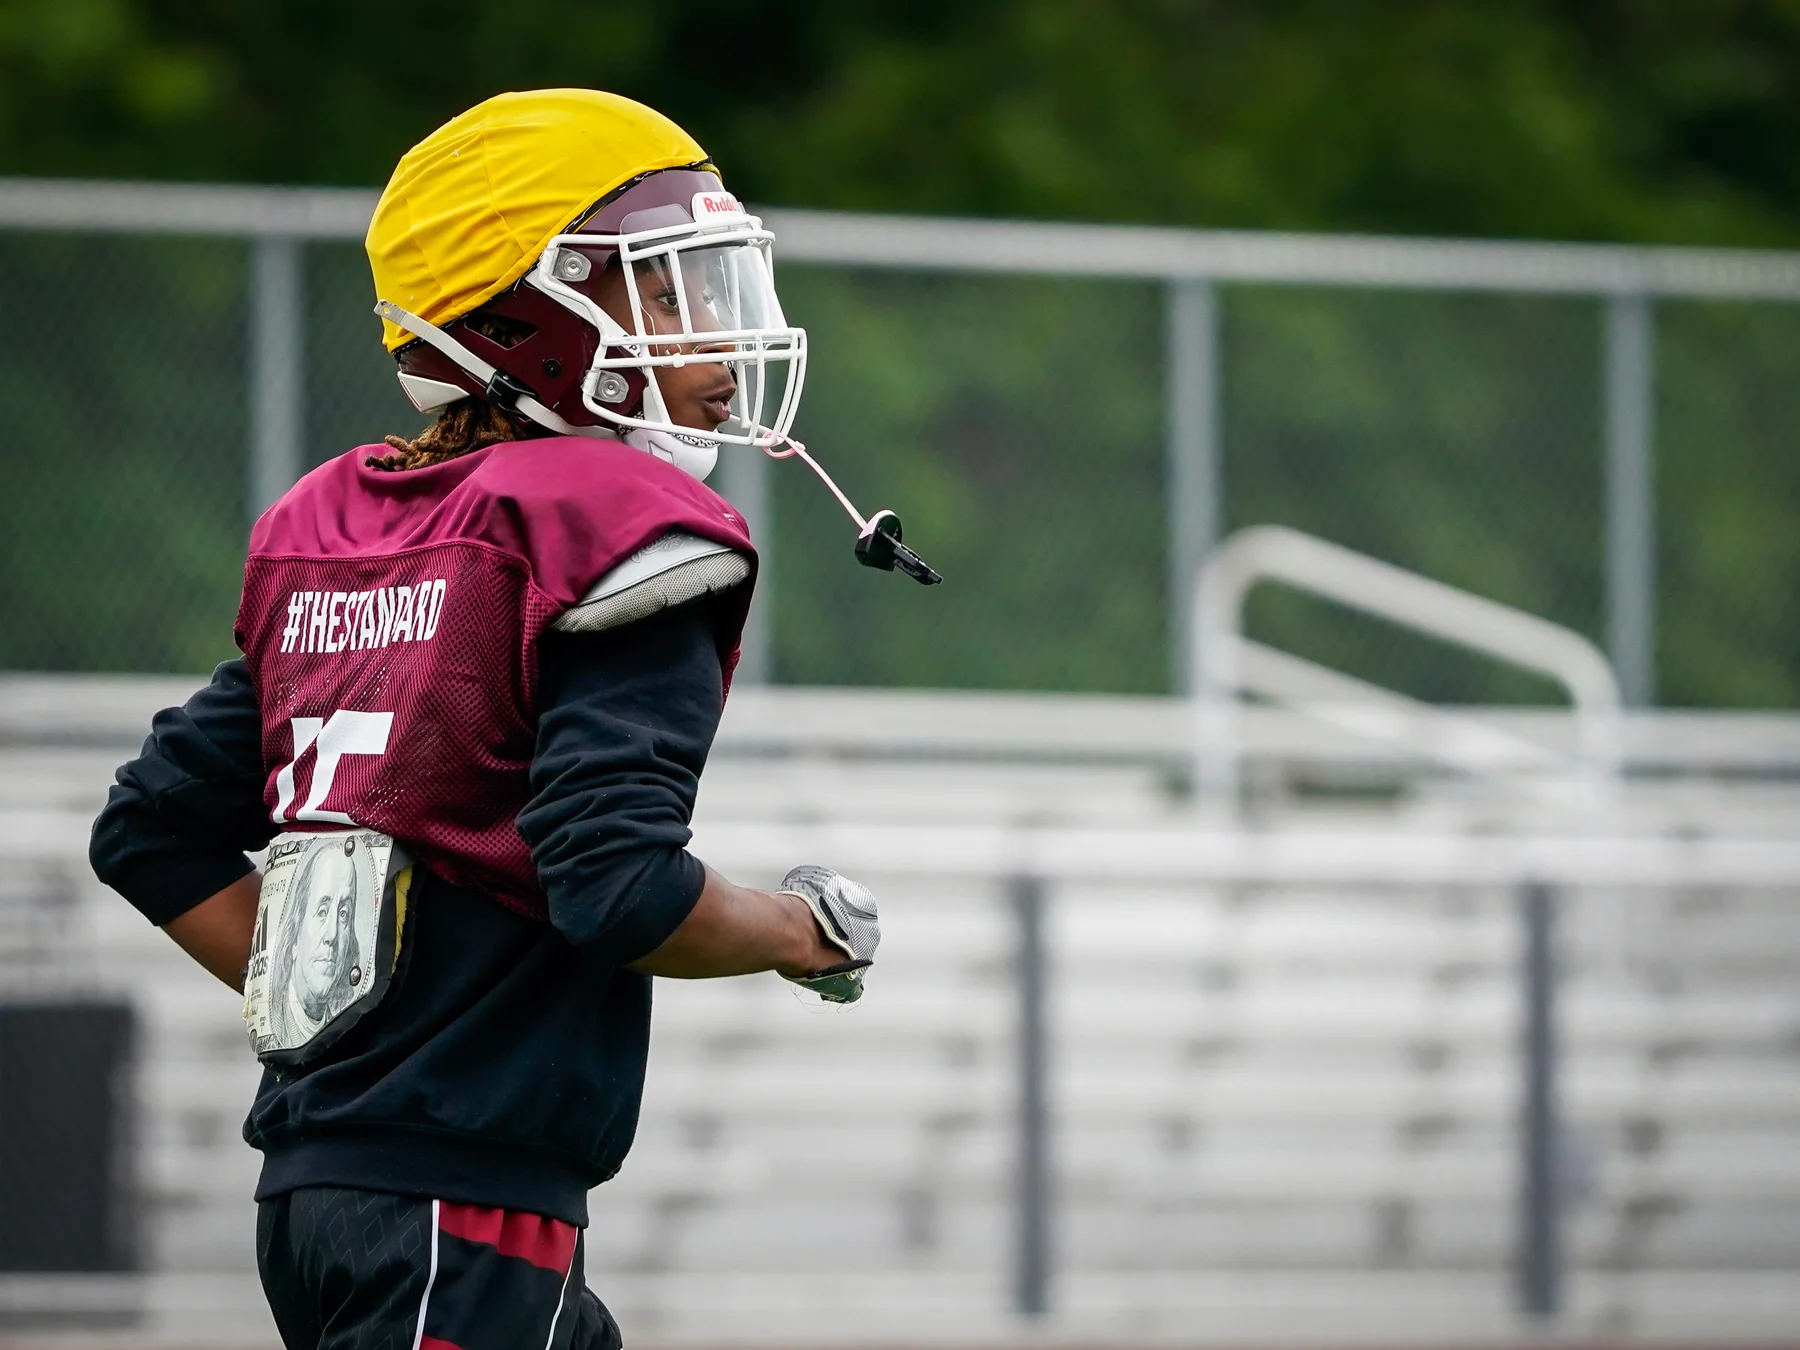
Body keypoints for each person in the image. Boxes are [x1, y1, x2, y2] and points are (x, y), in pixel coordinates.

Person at [90, 89, 883, 1350]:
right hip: (463, 1213)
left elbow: (150, 832)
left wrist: (363, 1019)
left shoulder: (356, 532)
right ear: (529, 317)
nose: (720, 338)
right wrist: (803, 930)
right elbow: (618, 887)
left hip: (319, 1194)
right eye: (667, 290)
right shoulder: (607, 530)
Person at [268, 842, 361, 1044]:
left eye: (343, 914)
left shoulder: (352, 1033)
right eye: (322, 912)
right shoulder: (274, 1022)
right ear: (296, 932)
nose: (332, 935)